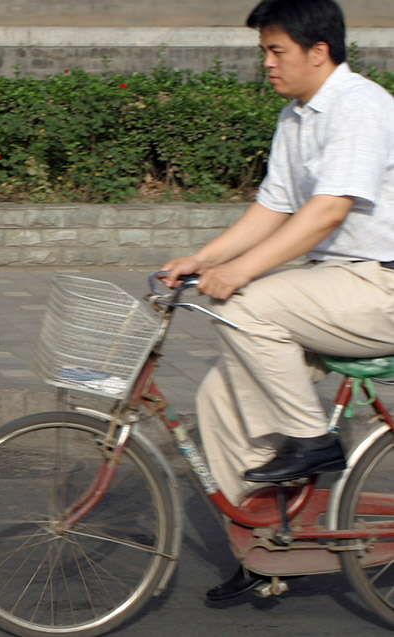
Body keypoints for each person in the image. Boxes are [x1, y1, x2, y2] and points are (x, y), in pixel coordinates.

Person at [162, 0, 394, 600]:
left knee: (247, 306)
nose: (266, 63)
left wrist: (238, 274)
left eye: (276, 50)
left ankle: (314, 441)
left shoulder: (360, 107)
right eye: (264, 50)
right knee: (217, 400)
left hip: (381, 287)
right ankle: (266, 555)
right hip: (337, 286)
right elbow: (275, 208)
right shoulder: (297, 116)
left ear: (319, 52)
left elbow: (327, 211)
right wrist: (204, 259)